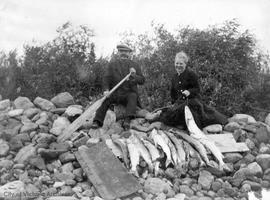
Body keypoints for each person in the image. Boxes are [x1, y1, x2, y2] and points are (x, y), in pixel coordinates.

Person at [147, 51, 228, 129]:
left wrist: (189, 91)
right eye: (177, 63)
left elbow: (197, 89)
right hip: (180, 102)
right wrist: (173, 103)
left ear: (185, 64)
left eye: (181, 63)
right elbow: (173, 93)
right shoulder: (174, 77)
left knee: (188, 112)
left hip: (192, 101)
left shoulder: (191, 74)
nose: (178, 65)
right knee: (171, 112)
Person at [91, 44, 145, 130]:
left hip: (128, 94)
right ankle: (97, 121)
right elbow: (106, 79)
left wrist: (134, 75)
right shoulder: (112, 65)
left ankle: (127, 120)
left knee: (133, 96)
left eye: (126, 52)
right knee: (105, 100)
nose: (123, 53)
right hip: (115, 93)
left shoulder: (135, 65)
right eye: (121, 51)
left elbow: (142, 80)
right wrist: (106, 90)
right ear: (118, 53)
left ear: (129, 53)